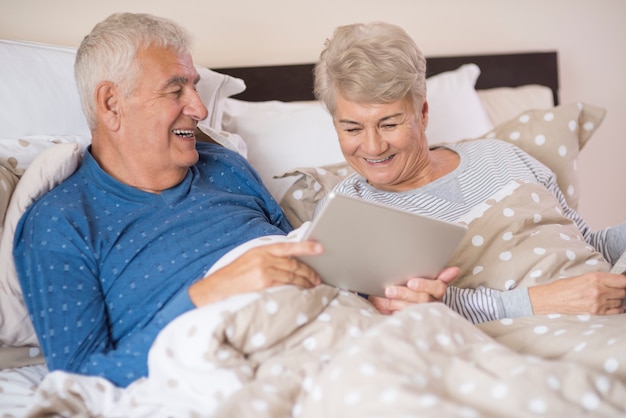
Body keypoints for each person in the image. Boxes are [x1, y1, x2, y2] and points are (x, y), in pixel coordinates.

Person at [12, 13, 453, 389]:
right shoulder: (61, 222)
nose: (200, 110)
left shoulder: (224, 166)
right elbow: (81, 381)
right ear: (111, 103)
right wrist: (209, 293)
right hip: (239, 370)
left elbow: (302, 266)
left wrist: (384, 299)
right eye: (176, 90)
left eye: (196, 88)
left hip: (343, 335)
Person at [312, 21, 626, 323]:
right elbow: (386, 312)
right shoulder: (347, 210)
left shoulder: (500, 154)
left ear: (422, 114)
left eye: (389, 124)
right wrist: (545, 301)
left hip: (609, 302)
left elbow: (587, 244)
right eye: (352, 128)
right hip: (524, 334)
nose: (373, 146)